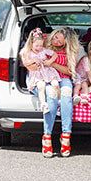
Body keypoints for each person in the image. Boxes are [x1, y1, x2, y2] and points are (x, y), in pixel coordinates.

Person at [25, 27, 79, 158]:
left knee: (66, 93)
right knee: (52, 95)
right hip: (46, 78)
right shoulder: (42, 47)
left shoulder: (70, 52)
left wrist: (52, 63)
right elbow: (28, 59)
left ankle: (66, 135)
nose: (56, 41)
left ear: (66, 42)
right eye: (55, 37)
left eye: (60, 40)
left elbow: (70, 72)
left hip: (63, 78)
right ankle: (47, 136)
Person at [20, 28, 61, 114]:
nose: (39, 48)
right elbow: (25, 63)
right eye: (37, 46)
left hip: (47, 72)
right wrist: (33, 60)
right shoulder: (27, 52)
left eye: (41, 45)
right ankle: (43, 105)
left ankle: (59, 102)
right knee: (41, 86)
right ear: (31, 44)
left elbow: (55, 54)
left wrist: (50, 61)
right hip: (37, 74)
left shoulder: (44, 50)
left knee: (56, 84)